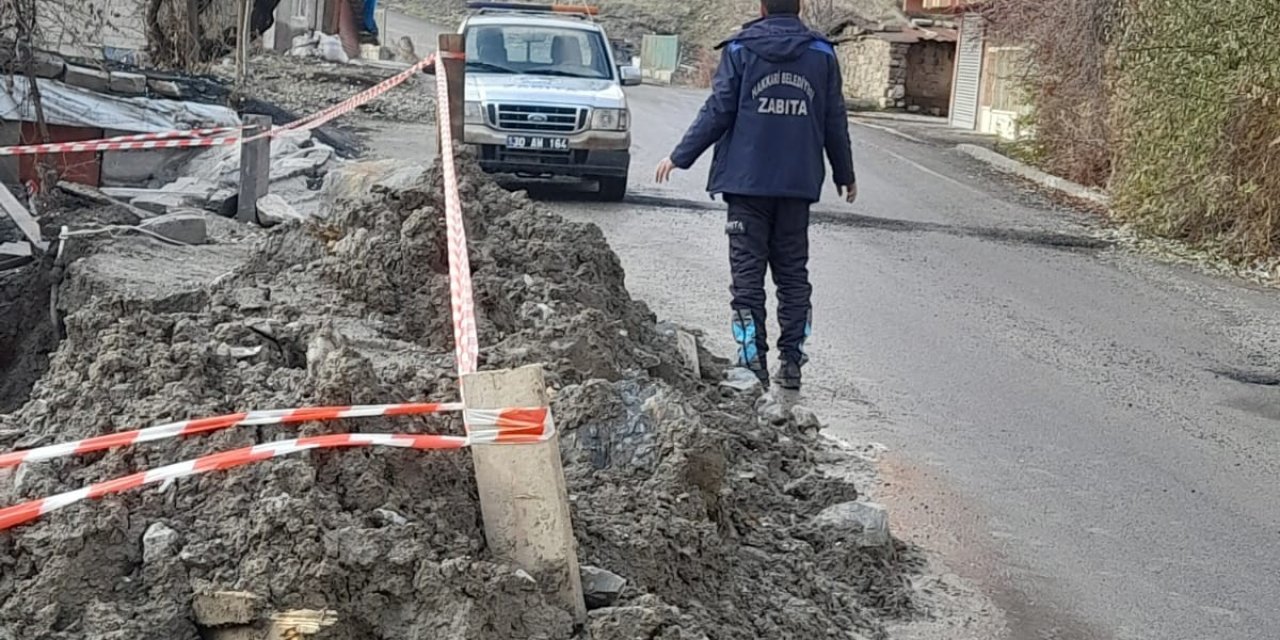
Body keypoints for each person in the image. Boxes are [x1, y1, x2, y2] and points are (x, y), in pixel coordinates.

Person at [655, 0, 856, 392]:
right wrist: (844, 173)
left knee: (747, 277)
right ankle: (793, 362)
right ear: (798, 8)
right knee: (793, 275)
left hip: (746, 185)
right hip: (797, 186)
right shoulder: (821, 54)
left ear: (762, 8)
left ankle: (752, 362)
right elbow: (834, 118)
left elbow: (719, 109)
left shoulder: (741, 49)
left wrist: (680, 156)